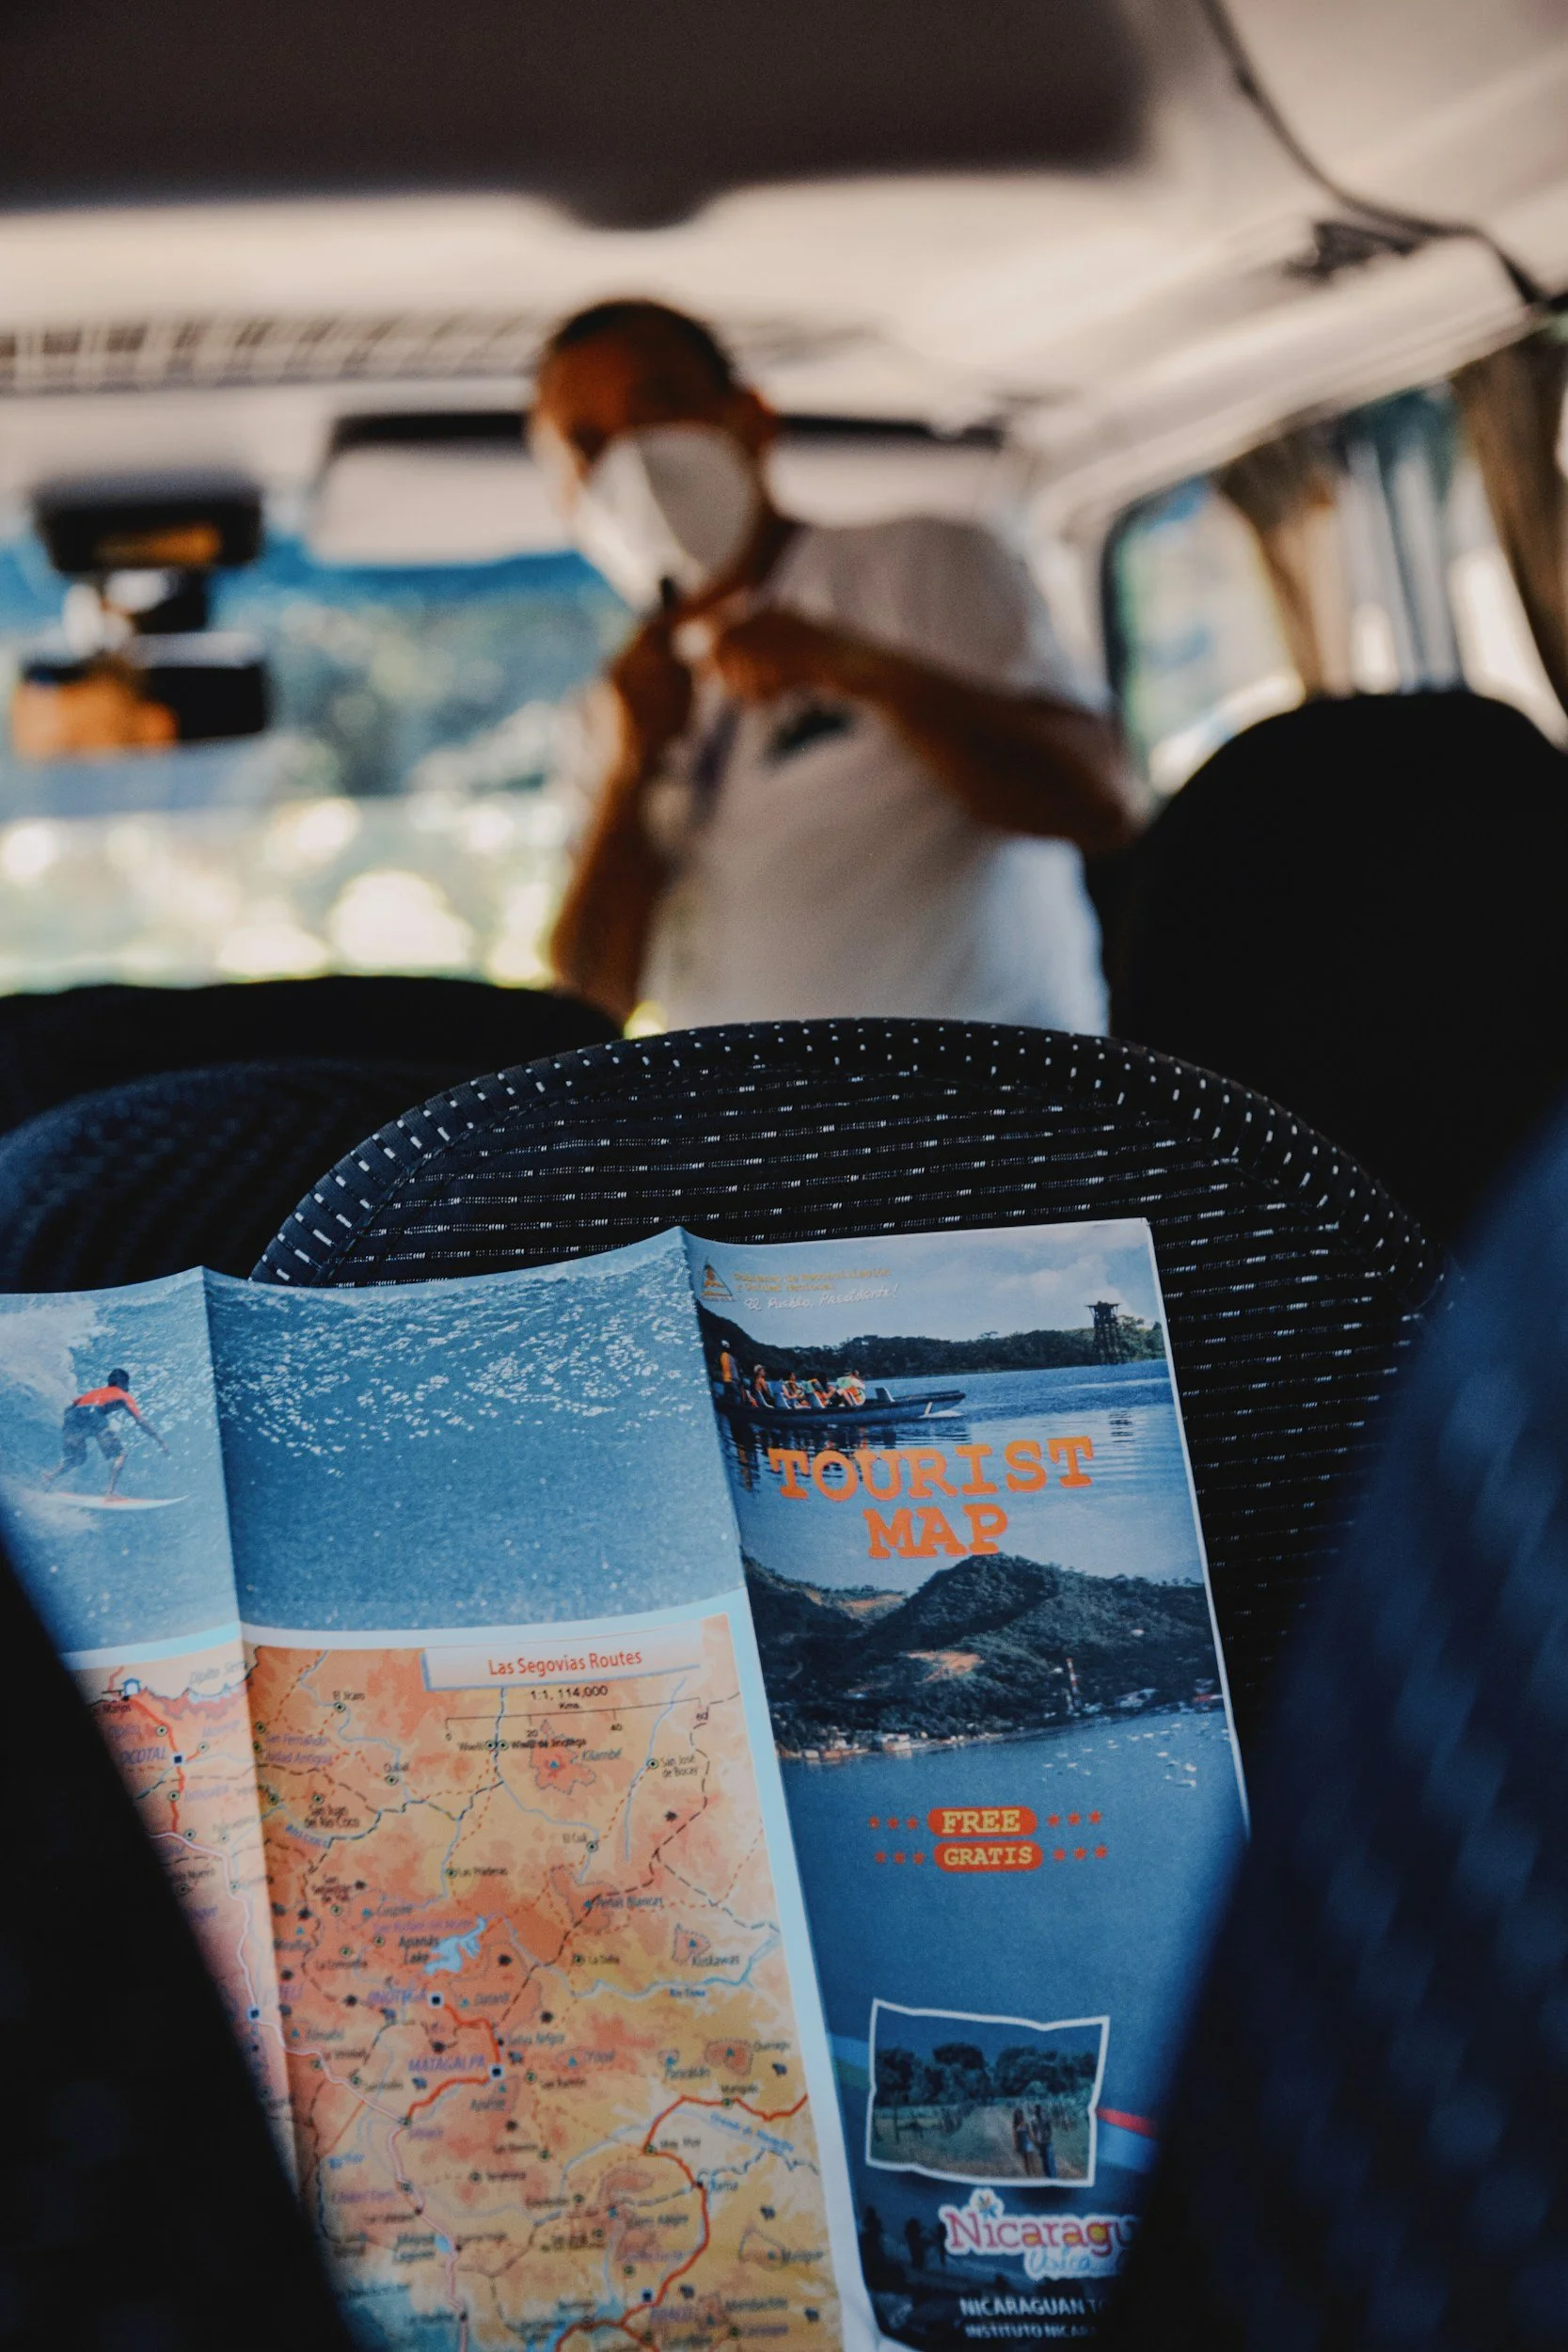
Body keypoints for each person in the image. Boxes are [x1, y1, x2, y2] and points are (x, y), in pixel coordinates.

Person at [532, 299, 1141, 1032]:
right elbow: (590, 997)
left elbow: (1097, 802)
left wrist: (861, 669)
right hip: (764, 1137)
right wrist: (633, 770)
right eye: (589, 443)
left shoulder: (920, 561)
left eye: (657, 410)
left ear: (750, 420)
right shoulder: (613, 710)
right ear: (566, 497)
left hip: (988, 1114)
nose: (632, 462)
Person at [42, 1366, 168, 1500]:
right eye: (127, 1383)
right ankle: (110, 1493)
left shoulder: (94, 1392)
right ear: (122, 1383)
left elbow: (70, 1408)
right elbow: (140, 1421)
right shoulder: (123, 1395)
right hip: (94, 1416)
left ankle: (50, 1476)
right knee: (120, 1454)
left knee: (76, 1459)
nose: (128, 1387)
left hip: (72, 1417)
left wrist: (69, 1429)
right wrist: (160, 1440)